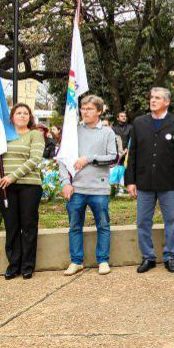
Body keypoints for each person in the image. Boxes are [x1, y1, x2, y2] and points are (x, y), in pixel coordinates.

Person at [125, 88, 174, 273]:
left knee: (171, 220)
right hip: (144, 182)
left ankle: (170, 256)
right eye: (151, 97)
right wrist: (130, 181)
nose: (152, 100)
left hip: (169, 183)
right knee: (143, 221)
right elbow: (133, 153)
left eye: (157, 98)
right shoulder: (139, 123)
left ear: (167, 102)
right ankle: (148, 257)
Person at [58, 95, 118, 276]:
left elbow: (113, 157)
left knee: (103, 225)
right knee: (75, 226)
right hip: (76, 189)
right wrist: (65, 183)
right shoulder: (73, 131)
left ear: (99, 111)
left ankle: (103, 260)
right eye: (83, 108)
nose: (85, 112)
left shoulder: (107, 132)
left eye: (90, 109)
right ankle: (76, 261)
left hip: (98, 189)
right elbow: (63, 159)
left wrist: (89, 159)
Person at [0, 104, 45, 280]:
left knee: (28, 226)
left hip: (30, 186)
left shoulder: (35, 134)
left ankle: (27, 266)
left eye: (26, 113)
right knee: (11, 227)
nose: (22, 116)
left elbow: (35, 159)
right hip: (6, 187)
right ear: (11, 117)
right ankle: (13, 265)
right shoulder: (3, 136)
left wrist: (13, 176)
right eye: (18, 113)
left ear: (30, 117)